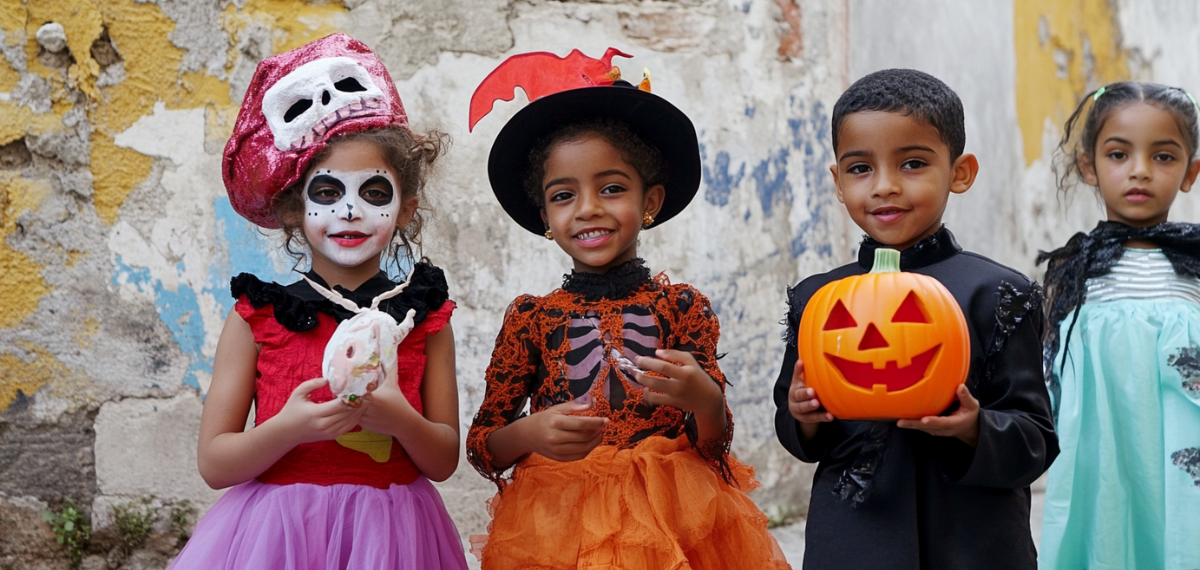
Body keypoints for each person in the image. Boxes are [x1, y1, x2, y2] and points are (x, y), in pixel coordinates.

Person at [464, 48, 790, 570]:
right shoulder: (531, 319)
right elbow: (483, 446)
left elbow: (713, 444)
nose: (589, 208)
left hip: (675, 520)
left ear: (651, 201)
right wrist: (527, 433)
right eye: (564, 195)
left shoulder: (681, 307)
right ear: (544, 216)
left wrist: (703, 397)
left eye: (611, 188)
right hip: (558, 528)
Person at [169, 34, 468, 570]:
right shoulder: (257, 319)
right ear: (292, 208)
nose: (350, 211)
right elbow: (215, 463)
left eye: (374, 193)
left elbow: (443, 459)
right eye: (327, 193)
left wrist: (401, 419)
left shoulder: (423, 319)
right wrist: (290, 427)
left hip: (394, 539)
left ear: (405, 209)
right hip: (279, 540)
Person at [773, 68, 1058, 569]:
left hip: (973, 540)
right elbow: (798, 437)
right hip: (855, 535)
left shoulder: (998, 294)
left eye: (912, 163)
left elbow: (1035, 439)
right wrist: (802, 416)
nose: (885, 187)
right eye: (861, 168)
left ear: (960, 172)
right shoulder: (819, 300)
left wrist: (976, 428)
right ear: (838, 182)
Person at [1037, 81, 1200, 570]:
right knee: (1103, 528)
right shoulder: (1077, 266)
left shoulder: (1195, 265)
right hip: (1099, 445)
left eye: (1164, 157)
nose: (1140, 171)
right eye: (1118, 154)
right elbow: (1053, 366)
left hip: (1179, 447)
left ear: (1191, 172)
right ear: (1089, 166)